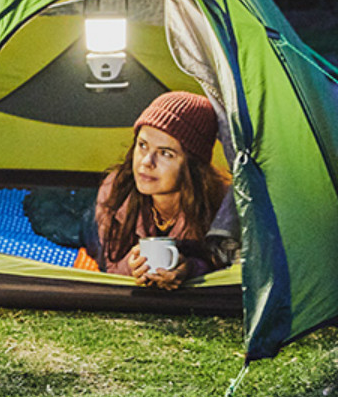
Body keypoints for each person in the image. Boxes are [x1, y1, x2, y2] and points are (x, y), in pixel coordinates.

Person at [92, 91, 239, 290]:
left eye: (165, 153)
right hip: (104, 217)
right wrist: (132, 266)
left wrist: (190, 269)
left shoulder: (222, 203)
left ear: (192, 165)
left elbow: (225, 269)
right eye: (142, 145)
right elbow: (109, 266)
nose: (146, 162)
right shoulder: (115, 189)